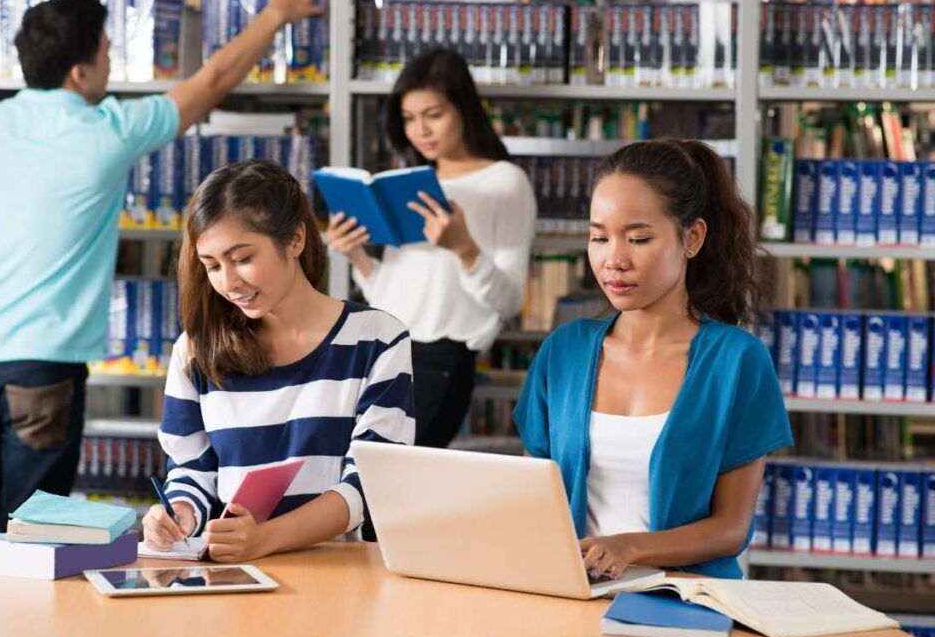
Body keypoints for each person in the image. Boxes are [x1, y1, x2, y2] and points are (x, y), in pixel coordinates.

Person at [0, 0, 322, 554]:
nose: (109, 66)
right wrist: (277, 12)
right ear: (80, 73)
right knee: (30, 539)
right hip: (40, 365)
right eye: (106, 53)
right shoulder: (107, 130)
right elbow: (214, 82)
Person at [512, 139, 793, 580]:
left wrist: (630, 548)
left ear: (692, 238)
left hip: (685, 599)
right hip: (571, 594)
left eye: (638, 238)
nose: (614, 260)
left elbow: (731, 529)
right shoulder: (563, 352)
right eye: (599, 237)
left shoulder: (737, 362)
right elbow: (532, 501)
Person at [141, 160, 414, 561]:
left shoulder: (377, 339)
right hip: (232, 574)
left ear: (295, 241)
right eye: (212, 266)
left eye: (242, 258)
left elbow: (372, 483)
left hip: (337, 572)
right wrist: (178, 514)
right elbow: (192, 470)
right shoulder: (195, 350)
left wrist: (265, 538)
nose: (228, 283)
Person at [328, 49, 536, 449]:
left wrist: (465, 249)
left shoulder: (504, 183)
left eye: (433, 114)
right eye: (409, 118)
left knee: (386, 485)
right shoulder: (409, 183)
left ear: (464, 109)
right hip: (381, 350)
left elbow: (510, 300)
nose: (420, 130)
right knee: (357, 485)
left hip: (441, 362)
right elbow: (389, 295)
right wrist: (356, 256)